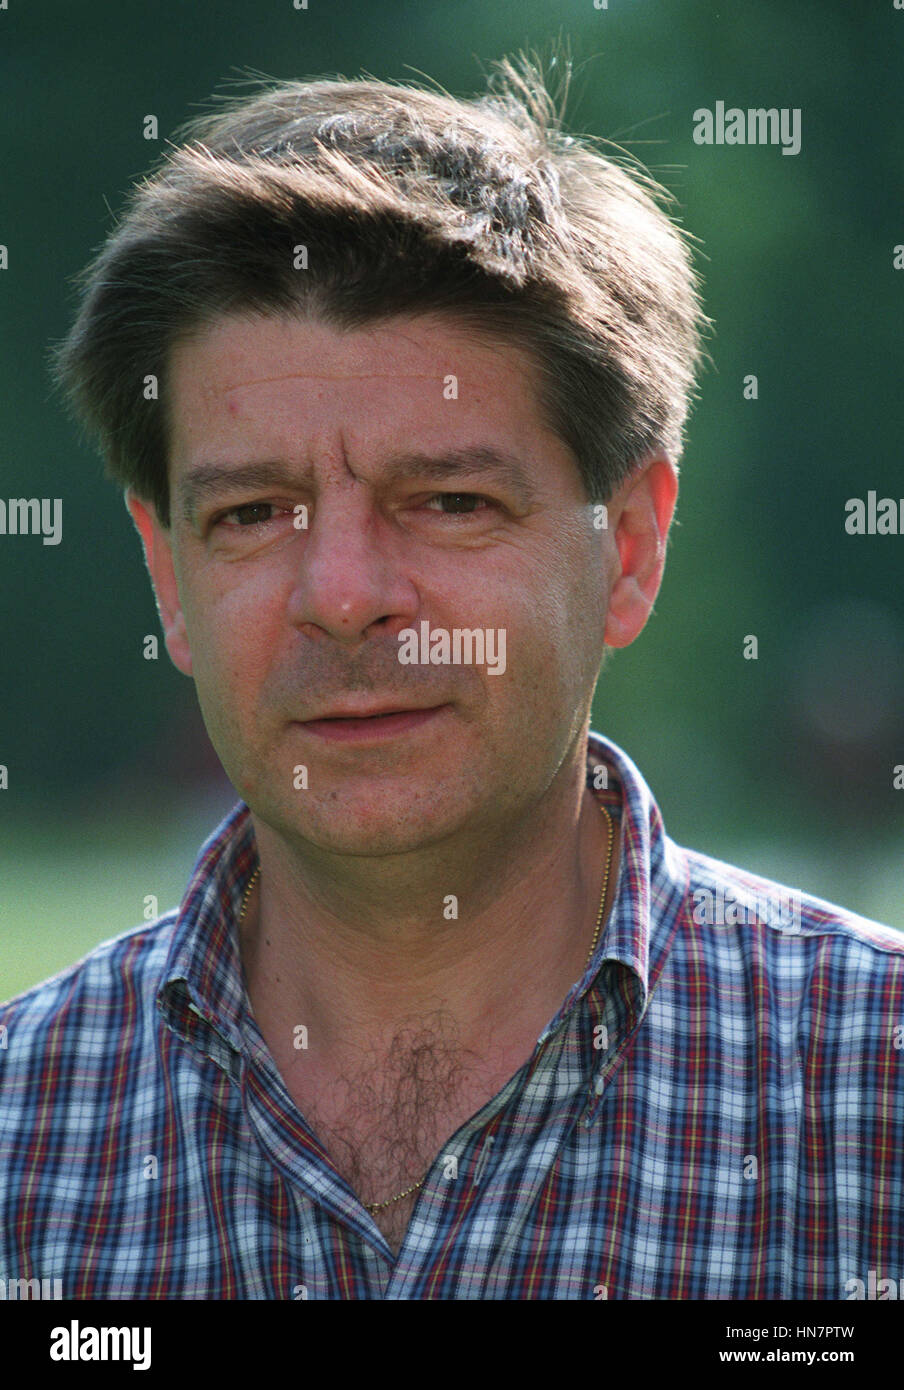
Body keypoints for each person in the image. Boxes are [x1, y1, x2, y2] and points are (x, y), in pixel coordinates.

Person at [1, 53, 901, 1301]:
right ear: (169, 577)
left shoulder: (874, 1099)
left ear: (628, 548)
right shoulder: (17, 1139)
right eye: (256, 512)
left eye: (449, 500)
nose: (344, 593)